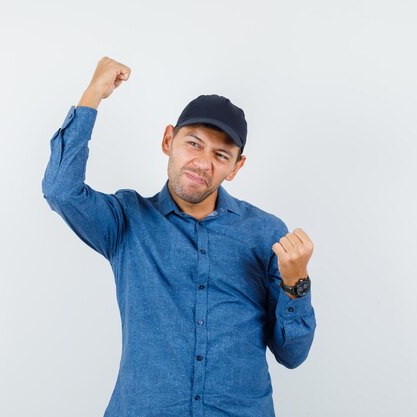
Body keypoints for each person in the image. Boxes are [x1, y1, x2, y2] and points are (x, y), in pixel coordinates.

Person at [42, 56, 317, 417]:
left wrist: (296, 283)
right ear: (168, 140)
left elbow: (292, 355)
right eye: (193, 144)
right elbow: (61, 191)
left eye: (221, 154)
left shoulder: (266, 233)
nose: (203, 163)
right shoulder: (127, 220)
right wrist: (93, 94)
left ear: (236, 167)